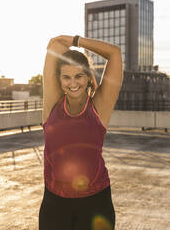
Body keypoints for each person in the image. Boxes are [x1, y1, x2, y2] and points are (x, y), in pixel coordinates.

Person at [39, 35, 123, 230]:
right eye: (66, 77)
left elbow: (114, 53)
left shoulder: (100, 107)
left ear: (88, 76)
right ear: (59, 79)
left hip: (95, 203)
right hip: (54, 204)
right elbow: (55, 44)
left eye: (79, 76)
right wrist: (67, 45)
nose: (73, 83)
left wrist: (76, 40)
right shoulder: (52, 104)